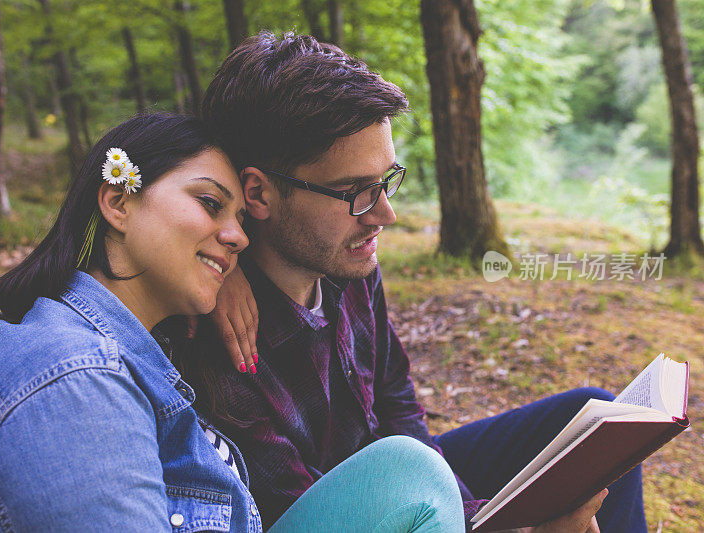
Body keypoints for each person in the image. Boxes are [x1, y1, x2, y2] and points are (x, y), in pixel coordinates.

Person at [164, 32, 647, 532]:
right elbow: (302, 506)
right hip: (348, 512)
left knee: (599, 422)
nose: (385, 215)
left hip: (409, 475)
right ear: (258, 193)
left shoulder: (345, 263)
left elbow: (396, 403)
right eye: (354, 192)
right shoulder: (215, 335)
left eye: (386, 181)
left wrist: (473, 513)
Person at [0, 113, 465, 532]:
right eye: (211, 204)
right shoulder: (74, 384)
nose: (238, 236)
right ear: (118, 201)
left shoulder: (143, 346)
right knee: (407, 476)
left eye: (238, 217)